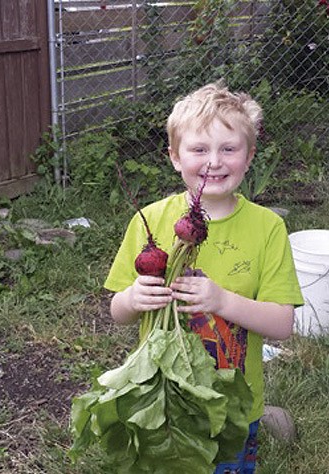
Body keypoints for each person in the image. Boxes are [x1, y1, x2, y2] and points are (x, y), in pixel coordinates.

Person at [104, 82, 304, 473]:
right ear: (175, 158)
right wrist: (132, 299)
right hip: (162, 399)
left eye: (229, 149)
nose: (214, 161)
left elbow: (282, 324)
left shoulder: (268, 228)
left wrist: (222, 302)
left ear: (249, 157)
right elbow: (117, 312)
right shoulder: (150, 220)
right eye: (199, 149)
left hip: (232, 404)